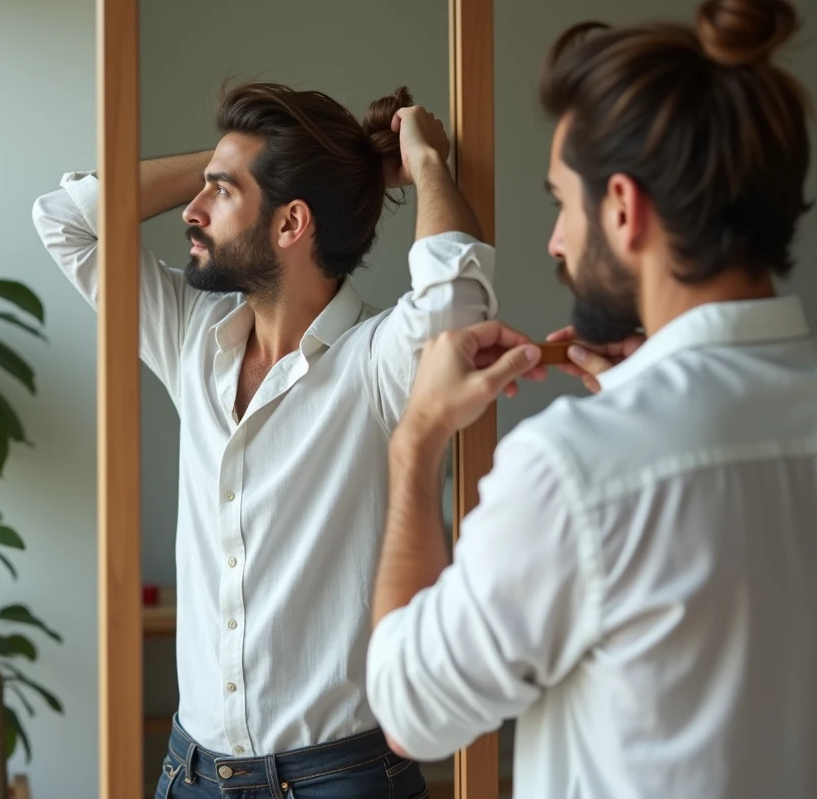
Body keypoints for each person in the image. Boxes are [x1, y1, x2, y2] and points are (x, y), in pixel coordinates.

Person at [366, 0, 817, 797]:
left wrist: (417, 436)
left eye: (563, 203)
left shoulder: (574, 472)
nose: (555, 241)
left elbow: (409, 710)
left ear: (625, 210)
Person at [33, 82, 513, 797]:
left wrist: (426, 162)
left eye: (220, 195)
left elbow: (456, 306)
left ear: (291, 224)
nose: (191, 213)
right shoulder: (192, 336)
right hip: (189, 772)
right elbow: (67, 220)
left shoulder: (378, 361)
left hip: (341, 778)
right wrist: (239, 163)